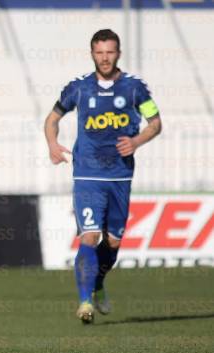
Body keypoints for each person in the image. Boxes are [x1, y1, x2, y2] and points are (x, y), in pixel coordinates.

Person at [43, 29, 162, 324]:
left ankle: (97, 284)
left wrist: (136, 142)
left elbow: (155, 123)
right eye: (99, 52)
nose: (105, 57)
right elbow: (52, 119)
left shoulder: (134, 89)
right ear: (92, 53)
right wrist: (52, 145)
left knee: (113, 242)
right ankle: (84, 302)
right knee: (89, 235)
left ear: (118, 53)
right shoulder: (79, 88)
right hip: (87, 175)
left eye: (110, 52)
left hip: (120, 177)